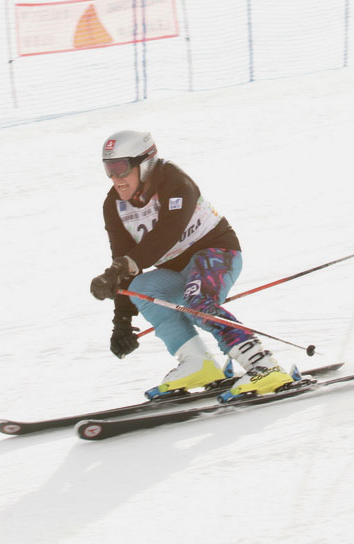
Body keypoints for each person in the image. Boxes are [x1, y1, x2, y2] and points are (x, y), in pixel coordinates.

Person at [90, 129, 293, 397]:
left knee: (197, 300)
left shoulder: (174, 181)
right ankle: (198, 363)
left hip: (217, 254)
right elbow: (123, 261)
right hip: (176, 270)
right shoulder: (114, 205)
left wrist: (121, 267)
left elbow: (167, 234)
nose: (116, 179)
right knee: (140, 288)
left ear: (145, 162)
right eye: (109, 170)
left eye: (121, 169)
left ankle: (263, 364)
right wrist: (122, 321)